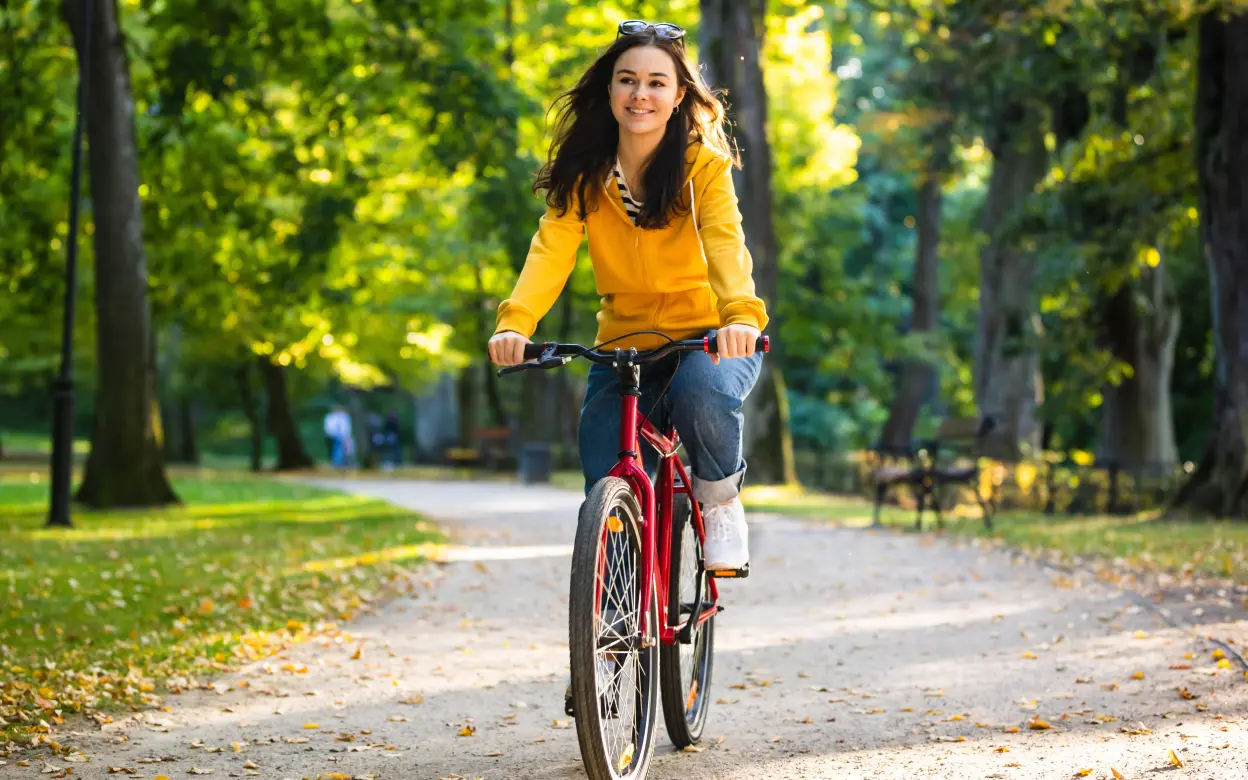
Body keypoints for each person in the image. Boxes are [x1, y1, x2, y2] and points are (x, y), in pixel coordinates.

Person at [486, 20, 766, 572]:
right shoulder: (584, 174)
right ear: (609, 90)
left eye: (657, 83)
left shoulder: (703, 167)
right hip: (624, 341)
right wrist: (515, 323)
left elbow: (725, 243)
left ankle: (719, 501)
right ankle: (615, 597)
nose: (641, 94)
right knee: (604, 460)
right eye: (627, 80)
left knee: (700, 392)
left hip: (710, 338)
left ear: (679, 94)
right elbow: (551, 251)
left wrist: (738, 316)